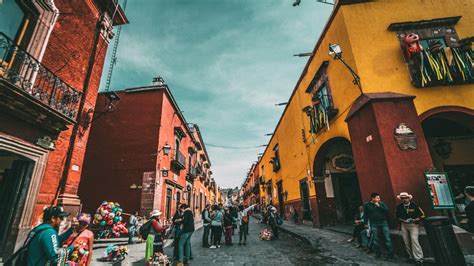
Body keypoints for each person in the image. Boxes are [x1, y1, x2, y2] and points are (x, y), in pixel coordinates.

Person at [395, 192, 425, 264]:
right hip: (404, 225)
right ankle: (411, 256)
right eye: (403, 198)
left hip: (413, 225)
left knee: (414, 240)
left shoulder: (414, 206)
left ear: (409, 198)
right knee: (406, 241)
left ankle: (419, 258)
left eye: (406, 198)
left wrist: (415, 219)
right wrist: (402, 220)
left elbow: (422, 215)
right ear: (401, 199)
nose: (405, 199)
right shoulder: (399, 207)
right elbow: (396, 216)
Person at [364, 193, 394, 259]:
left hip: (383, 222)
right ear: (373, 198)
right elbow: (366, 214)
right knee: (375, 239)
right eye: (377, 198)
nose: (379, 199)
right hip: (374, 223)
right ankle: (378, 254)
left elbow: (387, 211)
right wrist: (365, 223)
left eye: (379, 198)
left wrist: (379, 206)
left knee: (387, 238)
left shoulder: (381, 203)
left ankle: (391, 254)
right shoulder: (367, 205)